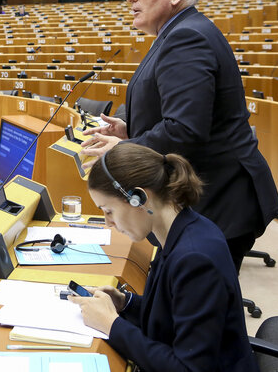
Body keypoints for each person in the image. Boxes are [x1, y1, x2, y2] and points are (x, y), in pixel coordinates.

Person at [81, 0, 278, 271]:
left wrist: (125, 147)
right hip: (211, 195)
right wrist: (130, 129)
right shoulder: (178, 33)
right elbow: (180, 114)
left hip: (220, 200)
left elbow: (186, 129)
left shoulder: (186, 37)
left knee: (200, 309)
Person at [70, 144, 258, 372]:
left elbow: (188, 368)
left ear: (139, 198)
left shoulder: (194, 259)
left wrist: (112, 325)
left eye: (108, 210)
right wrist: (125, 303)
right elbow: (174, 312)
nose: (108, 222)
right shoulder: (181, 230)